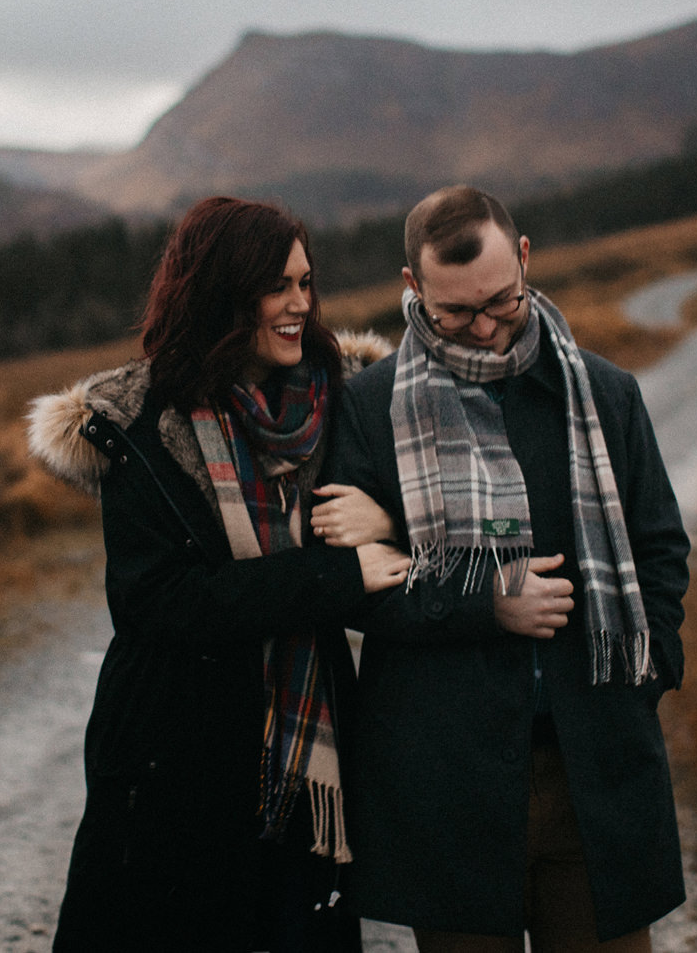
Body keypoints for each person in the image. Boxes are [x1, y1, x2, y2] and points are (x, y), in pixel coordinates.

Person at [27, 196, 410, 952]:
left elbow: (422, 528)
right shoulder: (137, 423)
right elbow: (157, 604)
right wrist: (335, 576)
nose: (302, 303)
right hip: (174, 764)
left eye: (307, 281)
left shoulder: (346, 401)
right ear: (223, 293)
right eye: (279, 285)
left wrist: (387, 520)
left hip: (304, 765)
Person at [317, 185, 691, 951]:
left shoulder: (606, 394)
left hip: (593, 769)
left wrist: (648, 675)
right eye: (457, 313)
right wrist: (485, 598)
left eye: (502, 302)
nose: (485, 329)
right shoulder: (368, 407)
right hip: (449, 777)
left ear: (523, 259)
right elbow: (353, 589)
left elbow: (660, 550)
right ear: (413, 287)